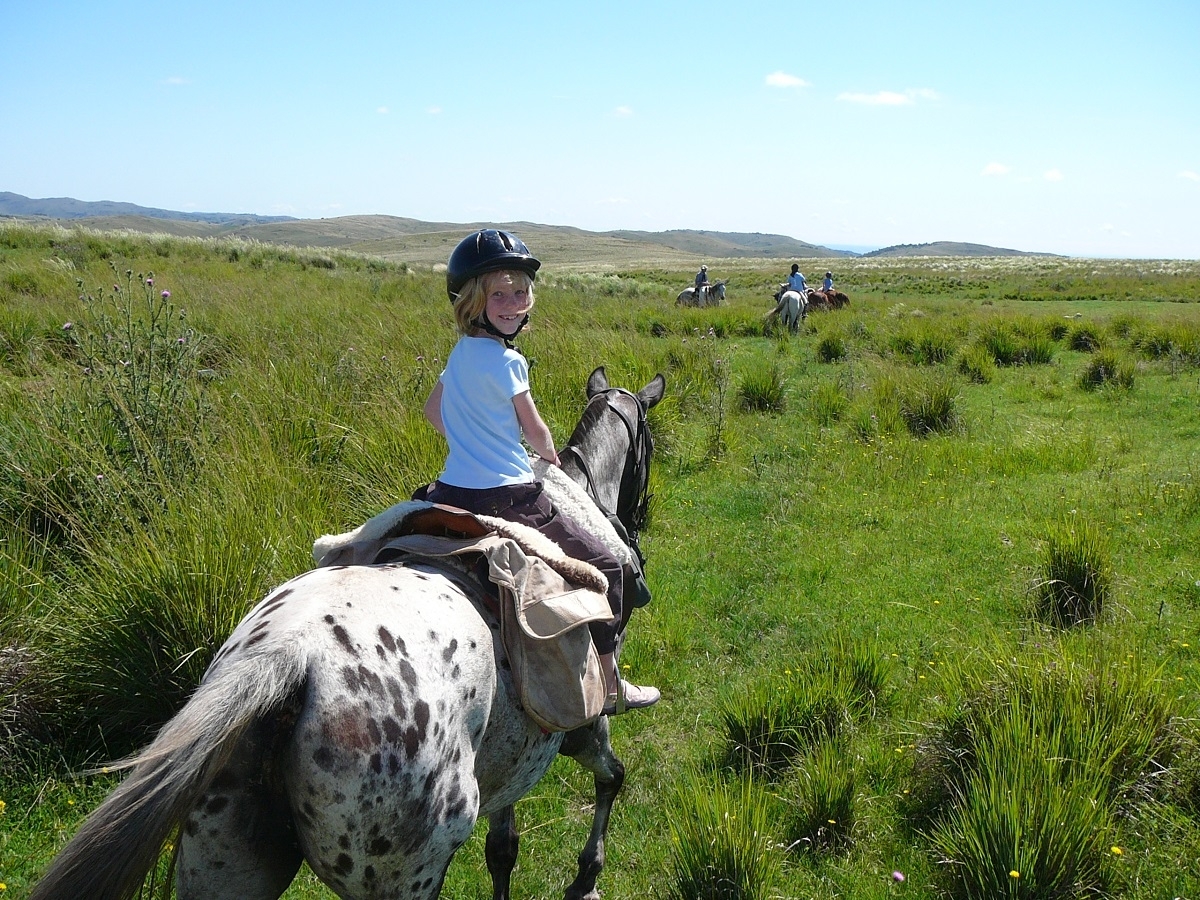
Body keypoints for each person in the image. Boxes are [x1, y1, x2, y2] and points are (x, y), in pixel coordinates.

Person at [421, 228, 660, 714]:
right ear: (473, 302)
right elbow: (536, 431)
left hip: (449, 492)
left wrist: (472, 439)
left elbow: (432, 411)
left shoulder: (458, 354)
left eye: (520, 293)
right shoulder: (510, 362)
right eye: (499, 295)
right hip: (509, 497)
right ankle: (612, 686)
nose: (513, 304)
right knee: (609, 566)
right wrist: (549, 458)